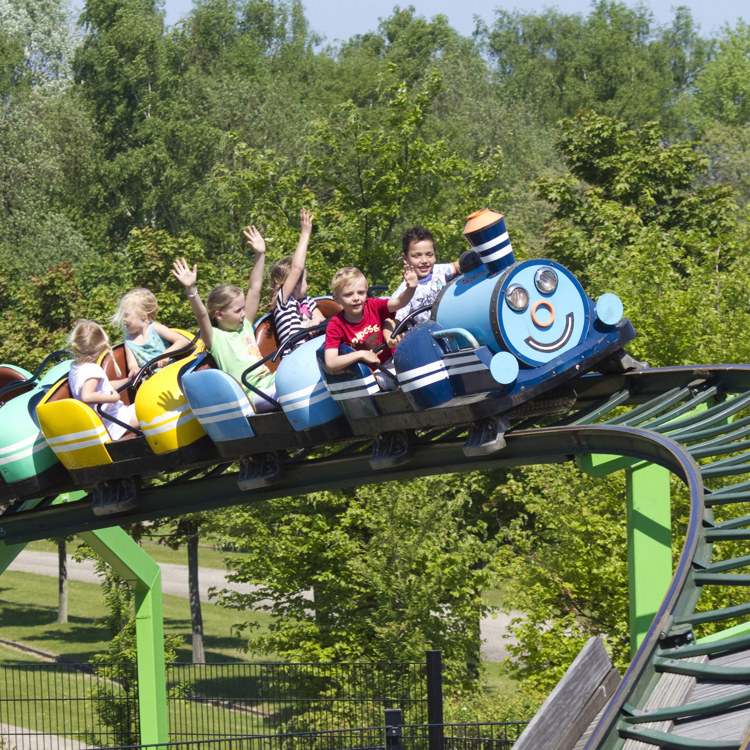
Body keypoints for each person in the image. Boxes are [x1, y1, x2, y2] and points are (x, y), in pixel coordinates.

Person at [171, 224, 279, 413]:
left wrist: (260, 254)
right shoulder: (215, 338)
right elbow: (201, 314)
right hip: (253, 394)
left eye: (244, 308)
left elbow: (255, 288)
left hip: (271, 381)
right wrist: (191, 289)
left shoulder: (245, 325)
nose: (244, 314)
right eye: (238, 310)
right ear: (219, 315)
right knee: (290, 392)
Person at [324, 265, 418, 390]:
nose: (356, 298)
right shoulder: (336, 325)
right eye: (348, 294)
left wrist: (411, 288)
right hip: (375, 372)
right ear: (337, 299)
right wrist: (361, 354)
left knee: (417, 367)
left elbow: (398, 302)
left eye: (361, 292)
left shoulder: (373, 305)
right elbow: (330, 363)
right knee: (402, 380)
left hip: (394, 359)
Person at [67, 319, 140, 440]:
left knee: (143, 405)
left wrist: (127, 380)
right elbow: (87, 396)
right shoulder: (93, 369)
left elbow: (104, 386)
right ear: (101, 347)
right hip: (112, 421)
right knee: (151, 412)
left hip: (112, 417)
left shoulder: (75, 368)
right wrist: (114, 398)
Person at [387, 227, 460, 342]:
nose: (424, 260)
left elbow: (456, 266)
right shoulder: (404, 292)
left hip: (452, 327)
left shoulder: (439, 270)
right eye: (417, 255)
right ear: (405, 258)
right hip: (427, 340)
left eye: (429, 254)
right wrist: (390, 337)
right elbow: (393, 320)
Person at [267, 208, 325, 345]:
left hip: (315, 350)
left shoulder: (307, 301)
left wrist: (316, 321)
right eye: (305, 280)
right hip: (295, 354)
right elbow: (297, 268)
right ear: (295, 284)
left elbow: (324, 320)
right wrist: (305, 234)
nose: (308, 285)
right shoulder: (283, 303)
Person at [111, 288, 191, 377]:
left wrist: (165, 355)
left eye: (126, 315)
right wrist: (135, 370)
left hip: (170, 374)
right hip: (150, 382)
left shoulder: (155, 328)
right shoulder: (129, 342)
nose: (123, 319)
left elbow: (182, 341)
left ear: (142, 315)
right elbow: (132, 364)